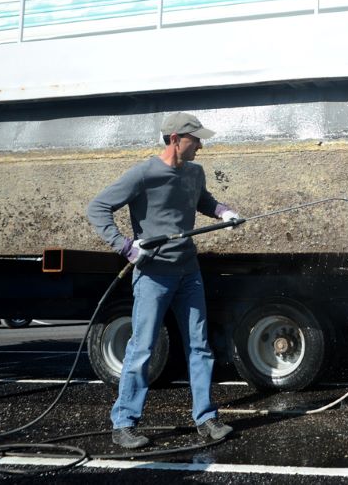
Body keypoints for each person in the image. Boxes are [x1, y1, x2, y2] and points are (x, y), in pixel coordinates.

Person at [87, 112, 240, 449]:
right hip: (153, 276)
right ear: (175, 139)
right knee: (142, 348)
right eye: (195, 139)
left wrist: (224, 212)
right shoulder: (144, 174)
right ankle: (124, 423)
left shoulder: (194, 173)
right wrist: (125, 246)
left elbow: (204, 201)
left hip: (189, 272)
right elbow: (97, 208)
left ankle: (206, 418)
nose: (200, 145)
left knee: (200, 346)